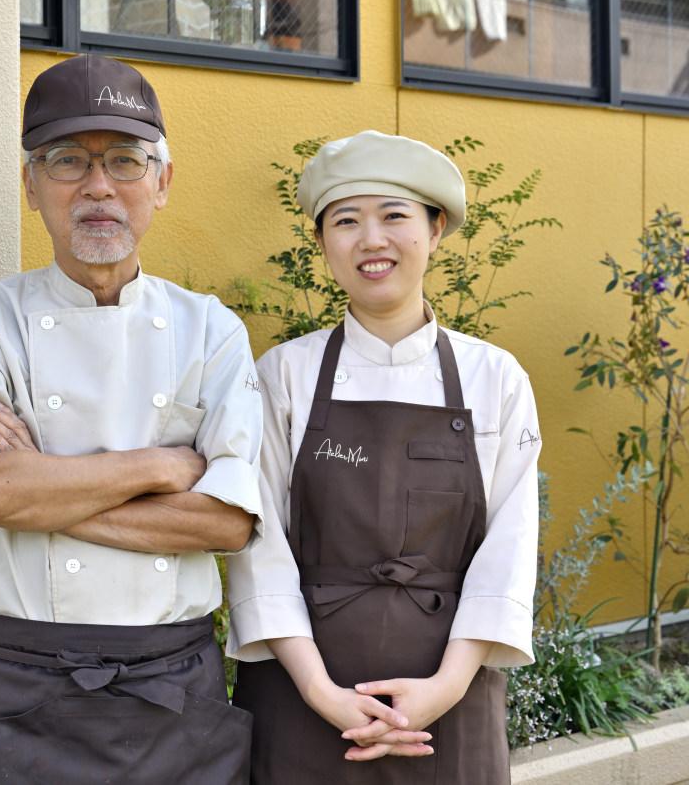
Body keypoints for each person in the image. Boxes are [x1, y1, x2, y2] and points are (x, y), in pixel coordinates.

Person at [0, 54, 264, 784]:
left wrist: (39, 490)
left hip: (174, 683)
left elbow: (227, 524)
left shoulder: (211, 329)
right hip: (21, 681)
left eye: (124, 160)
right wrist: (162, 466)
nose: (98, 186)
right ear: (30, 185)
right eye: (67, 160)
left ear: (162, 182)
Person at [226, 130, 539, 783]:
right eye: (346, 221)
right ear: (322, 242)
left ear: (435, 228)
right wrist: (321, 692)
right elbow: (258, 545)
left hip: (448, 698)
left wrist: (444, 688)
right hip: (302, 693)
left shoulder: (495, 379)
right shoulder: (283, 375)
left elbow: (508, 553)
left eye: (394, 216)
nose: (371, 240)